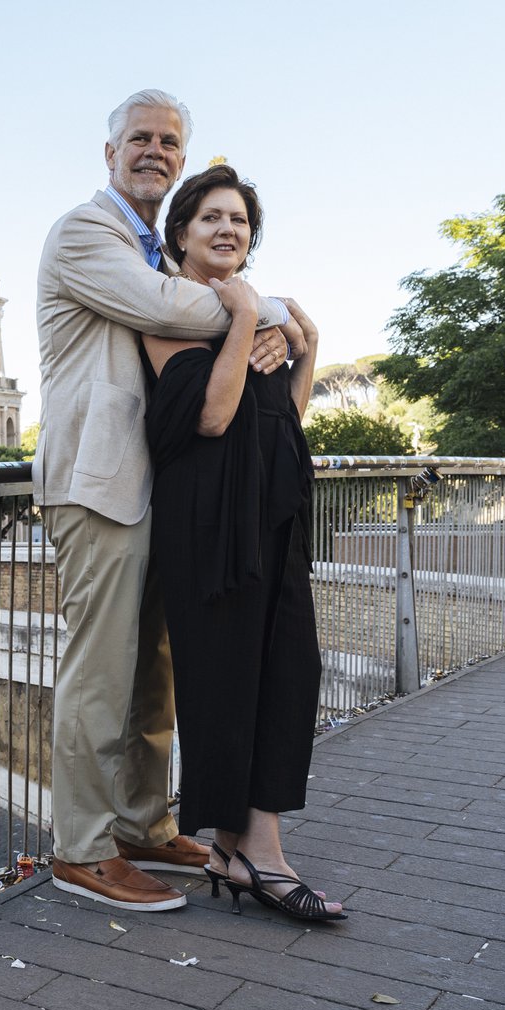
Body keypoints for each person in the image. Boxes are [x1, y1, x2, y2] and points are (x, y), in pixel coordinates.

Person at [33, 90, 298, 912]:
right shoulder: (86, 232)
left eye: (170, 141)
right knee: (100, 672)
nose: (156, 151)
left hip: (153, 487)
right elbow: (166, 305)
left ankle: (145, 824)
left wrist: (264, 325)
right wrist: (271, 311)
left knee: (153, 674)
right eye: (140, 138)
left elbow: (187, 306)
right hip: (95, 484)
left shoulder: (150, 248)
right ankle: (82, 849)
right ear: (110, 152)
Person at [141, 163, 343, 921]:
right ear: (181, 233)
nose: (229, 230)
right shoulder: (169, 309)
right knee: (227, 682)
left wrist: (305, 346)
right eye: (212, 218)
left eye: (241, 221)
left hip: (273, 513)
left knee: (288, 672)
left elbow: (282, 414)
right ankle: (259, 853)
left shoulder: (255, 315)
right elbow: (214, 416)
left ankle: (241, 849)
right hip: (209, 522)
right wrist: (245, 319)